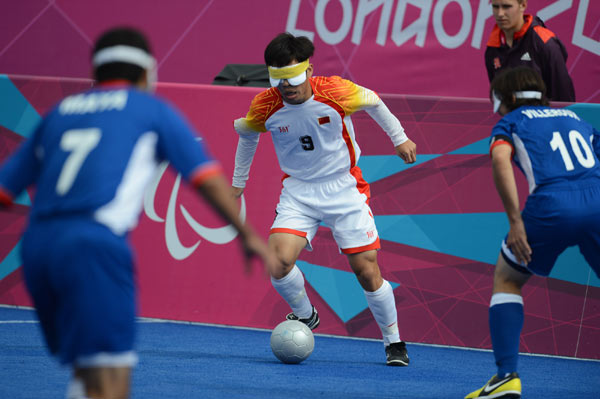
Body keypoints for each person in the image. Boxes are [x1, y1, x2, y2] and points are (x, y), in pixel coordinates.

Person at [0, 27, 278, 399]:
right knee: (111, 379)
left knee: (86, 369)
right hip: (94, 246)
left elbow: (5, 190)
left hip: (36, 250)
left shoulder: (59, 114)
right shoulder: (151, 110)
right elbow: (207, 179)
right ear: (147, 71)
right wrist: (247, 235)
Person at [231, 32, 417, 366]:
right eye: (279, 80)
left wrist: (399, 138)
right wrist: (237, 183)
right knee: (278, 260)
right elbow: (247, 135)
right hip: (299, 192)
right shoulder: (265, 104)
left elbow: (374, 101)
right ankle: (306, 315)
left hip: (344, 188)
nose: (287, 87)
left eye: (293, 78)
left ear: (308, 69)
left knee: (365, 270)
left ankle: (394, 342)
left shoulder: (335, 90)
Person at [465, 66, 600, 399]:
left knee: (508, 279)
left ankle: (506, 377)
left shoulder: (512, 122)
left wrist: (515, 221)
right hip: (597, 199)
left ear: (506, 98)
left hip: (552, 206)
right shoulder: (576, 120)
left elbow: (499, 158)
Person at [485, 0, 575, 102]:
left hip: (543, 116)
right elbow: (498, 99)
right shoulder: (492, 47)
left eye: (506, 7)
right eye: (496, 7)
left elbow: (564, 98)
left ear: (523, 5)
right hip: (510, 117)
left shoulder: (544, 42)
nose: (500, 14)